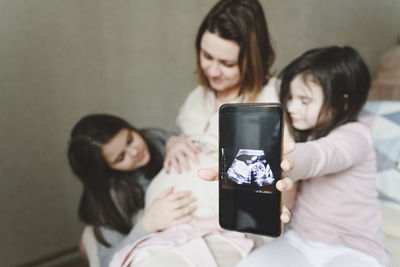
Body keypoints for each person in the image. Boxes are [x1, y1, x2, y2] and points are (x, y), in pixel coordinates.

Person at [233, 46, 391, 266]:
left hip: (354, 249)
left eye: (304, 101)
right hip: (299, 241)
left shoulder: (356, 136)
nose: (291, 107)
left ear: (341, 103)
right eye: (290, 97)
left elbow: (321, 156)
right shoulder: (303, 134)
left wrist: (281, 161)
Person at [67, 114, 198, 267]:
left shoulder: (152, 138)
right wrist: (147, 225)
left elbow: (175, 140)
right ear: (106, 169)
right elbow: (106, 261)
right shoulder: (112, 196)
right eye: (121, 157)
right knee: (87, 243)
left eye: (130, 140)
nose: (134, 152)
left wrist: (173, 141)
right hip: (122, 223)